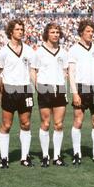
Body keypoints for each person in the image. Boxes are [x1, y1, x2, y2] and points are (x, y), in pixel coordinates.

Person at [69, 20, 94, 165]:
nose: (91, 34)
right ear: (81, 32)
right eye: (88, 31)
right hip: (81, 88)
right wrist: (75, 93)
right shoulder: (74, 50)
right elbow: (71, 73)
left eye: (92, 31)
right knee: (78, 122)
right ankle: (77, 153)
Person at [0, 19, 35, 168]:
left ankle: (24, 157)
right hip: (9, 89)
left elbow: (32, 71)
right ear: (11, 31)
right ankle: (4, 158)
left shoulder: (29, 50)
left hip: (25, 89)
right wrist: (0, 93)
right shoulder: (3, 52)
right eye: (17, 29)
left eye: (22, 29)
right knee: (6, 125)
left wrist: (38, 86)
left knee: (25, 124)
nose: (20, 32)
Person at [31, 23, 68, 167]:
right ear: (47, 34)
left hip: (59, 89)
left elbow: (65, 72)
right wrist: (38, 87)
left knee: (58, 124)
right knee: (45, 123)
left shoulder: (63, 52)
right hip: (44, 89)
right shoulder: (39, 52)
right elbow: (33, 71)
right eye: (52, 32)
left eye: (57, 32)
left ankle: (57, 156)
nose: (55, 34)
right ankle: (45, 155)